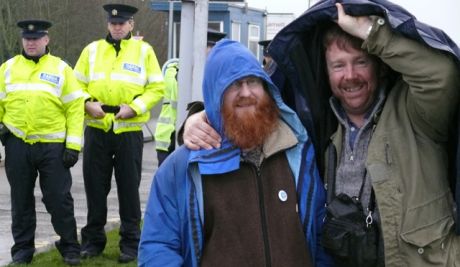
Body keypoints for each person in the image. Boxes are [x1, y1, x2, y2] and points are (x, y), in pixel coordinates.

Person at [181, 1, 460, 266]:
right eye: (338, 65)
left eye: (360, 62)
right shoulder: (315, 124)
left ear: (379, 65)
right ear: (326, 73)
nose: (350, 75)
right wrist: (200, 117)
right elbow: (251, 112)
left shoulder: (416, 114)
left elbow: (441, 74)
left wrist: (373, 33)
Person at [138, 39, 332, 267]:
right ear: (214, 94)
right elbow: (159, 247)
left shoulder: (296, 151)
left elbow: (320, 236)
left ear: (267, 89)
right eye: (234, 84)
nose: (246, 92)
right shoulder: (183, 166)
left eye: (253, 82)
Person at [73, 3, 164, 263]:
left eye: (122, 23)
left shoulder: (144, 51)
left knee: (129, 191)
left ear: (131, 25)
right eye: (113, 23)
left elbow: (156, 88)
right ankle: (93, 242)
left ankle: (131, 244)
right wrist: (87, 102)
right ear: (107, 24)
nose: (117, 26)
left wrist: (135, 108)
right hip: (97, 127)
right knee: (94, 188)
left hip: (129, 129)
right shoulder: (91, 50)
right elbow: (74, 85)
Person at [0, 20, 84, 265]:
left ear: (46, 40)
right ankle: (22, 251)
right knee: (21, 200)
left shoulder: (61, 69)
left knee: (58, 199)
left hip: (53, 148)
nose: (31, 42)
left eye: (36, 39)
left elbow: (75, 108)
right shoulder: (7, 68)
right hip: (18, 145)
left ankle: (70, 247)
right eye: (27, 38)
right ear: (22, 40)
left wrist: (73, 145)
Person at [154, 29, 226, 166]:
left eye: (212, 48)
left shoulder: (219, 73)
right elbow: (179, 91)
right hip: (169, 141)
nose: (208, 53)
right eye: (206, 48)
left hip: (201, 139)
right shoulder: (173, 69)